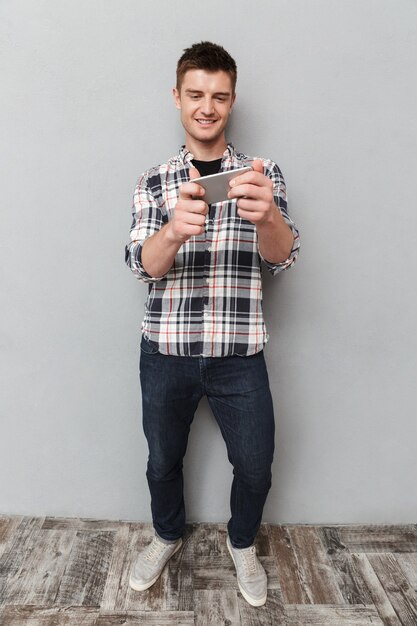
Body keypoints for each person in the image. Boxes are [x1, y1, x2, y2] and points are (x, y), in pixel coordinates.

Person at [125, 41, 300, 607]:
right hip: (167, 349)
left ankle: (242, 542)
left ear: (231, 101)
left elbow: (283, 257)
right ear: (177, 98)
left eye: (219, 96)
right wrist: (173, 230)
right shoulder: (154, 180)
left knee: (254, 465)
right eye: (196, 94)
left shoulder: (260, 173)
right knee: (161, 460)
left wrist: (269, 215)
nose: (207, 106)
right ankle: (166, 534)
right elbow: (141, 265)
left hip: (238, 350)